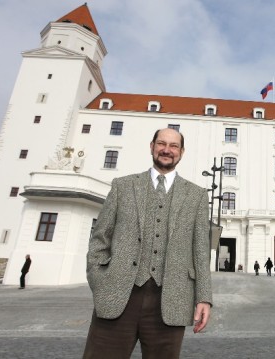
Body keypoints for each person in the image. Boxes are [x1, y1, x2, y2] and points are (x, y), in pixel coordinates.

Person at [83, 128, 213, 359]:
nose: (167, 150)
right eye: (161, 143)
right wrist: (100, 280)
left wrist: (203, 297)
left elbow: (201, 252)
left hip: (172, 298)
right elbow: (100, 237)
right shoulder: (122, 186)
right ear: (152, 146)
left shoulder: (197, 195)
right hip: (118, 294)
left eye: (173, 146)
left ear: (181, 152)